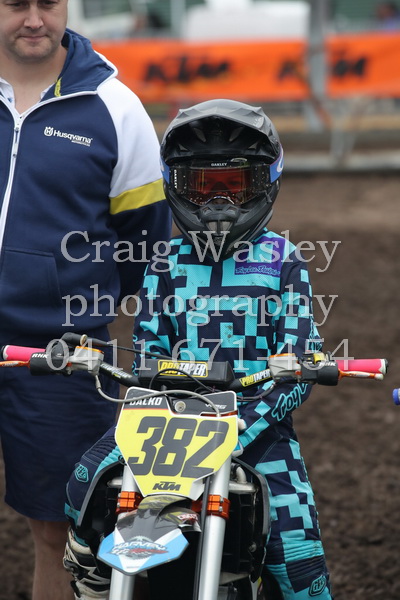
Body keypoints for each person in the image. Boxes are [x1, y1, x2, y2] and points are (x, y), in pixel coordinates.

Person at [64, 99, 333, 599]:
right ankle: (93, 571)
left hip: (258, 429)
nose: (219, 202)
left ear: (265, 182)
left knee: (299, 558)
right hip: (171, 425)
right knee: (85, 480)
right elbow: (147, 354)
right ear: (177, 184)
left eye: (235, 185)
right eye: (204, 186)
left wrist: (244, 423)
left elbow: (301, 359)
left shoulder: (283, 260)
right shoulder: (164, 262)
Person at [0, 1, 171, 599]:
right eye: (16, 3)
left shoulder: (115, 108)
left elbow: (144, 244)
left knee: (62, 531)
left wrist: (67, 305)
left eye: (47, 3)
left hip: (63, 356)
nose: (34, 19)